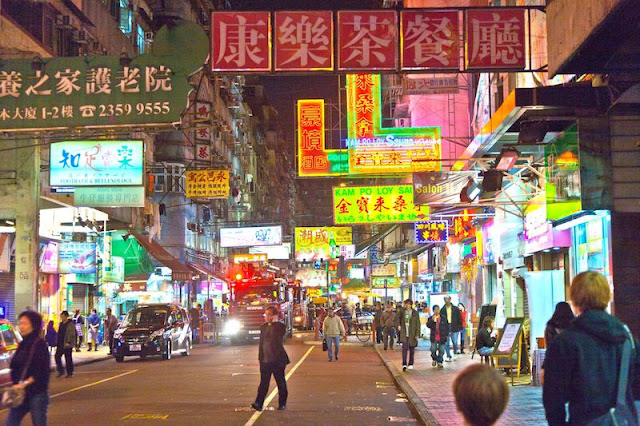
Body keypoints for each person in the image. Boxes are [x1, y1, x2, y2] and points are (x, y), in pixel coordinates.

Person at [543, 271, 640, 425]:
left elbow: (553, 397)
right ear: (606, 296)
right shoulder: (626, 337)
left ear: (575, 299)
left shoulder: (565, 341)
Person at [6, 311, 50, 426]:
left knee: (39, 423)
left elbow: (40, 371)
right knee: (11, 422)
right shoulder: (22, 344)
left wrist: (23, 384)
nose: (21, 326)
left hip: (37, 393)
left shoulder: (40, 344)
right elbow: (14, 366)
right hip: (20, 393)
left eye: (24, 323)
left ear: (34, 325)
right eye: (20, 323)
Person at [252, 306, 289, 411]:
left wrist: (274, 321)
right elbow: (262, 343)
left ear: (274, 316)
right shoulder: (263, 327)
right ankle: (258, 403)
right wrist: (261, 358)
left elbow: (281, 334)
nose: (266, 317)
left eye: (269, 314)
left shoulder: (280, 326)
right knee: (263, 383)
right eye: (265, 314)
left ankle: (282, 403)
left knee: (280, 382)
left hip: (277, 360)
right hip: (265, 360)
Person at [398, 299, 421, 371]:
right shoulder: (402, 312)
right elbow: (397, 319)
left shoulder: (415, 313)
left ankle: (411, 363)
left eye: (409, 304)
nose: (407, 306)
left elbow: (418, 324)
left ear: (411, 305)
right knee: (404, 348)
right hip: (404, 332)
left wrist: (417, 334)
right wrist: (398, 325)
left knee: (412, 348)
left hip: (412, 333)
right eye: (406, 304)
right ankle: (404, 363)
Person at [54, 310, 76, 378]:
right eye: (61, 317)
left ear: (66, 317)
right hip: (60, 343)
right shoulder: (61, 324)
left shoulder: (70, 324)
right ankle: (61, 371)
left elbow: (72, 334)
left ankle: (70, 372)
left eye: (63, 317)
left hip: (67, 344)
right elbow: (59, 333)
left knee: (68, 358)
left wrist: (68, 342)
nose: (62, 318)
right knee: (57, 356)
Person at [441, 296, 463, 360]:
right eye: (445, 299)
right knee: (446, 342)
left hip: (454, 326)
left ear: (450, 299)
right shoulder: (442, 309)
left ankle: (455, 352)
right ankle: (448, 355)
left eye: (447, 299)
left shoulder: (455, 309)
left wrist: (460, 327)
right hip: (446, 326)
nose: (446, 301)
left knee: (454, 341)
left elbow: (459, 318)